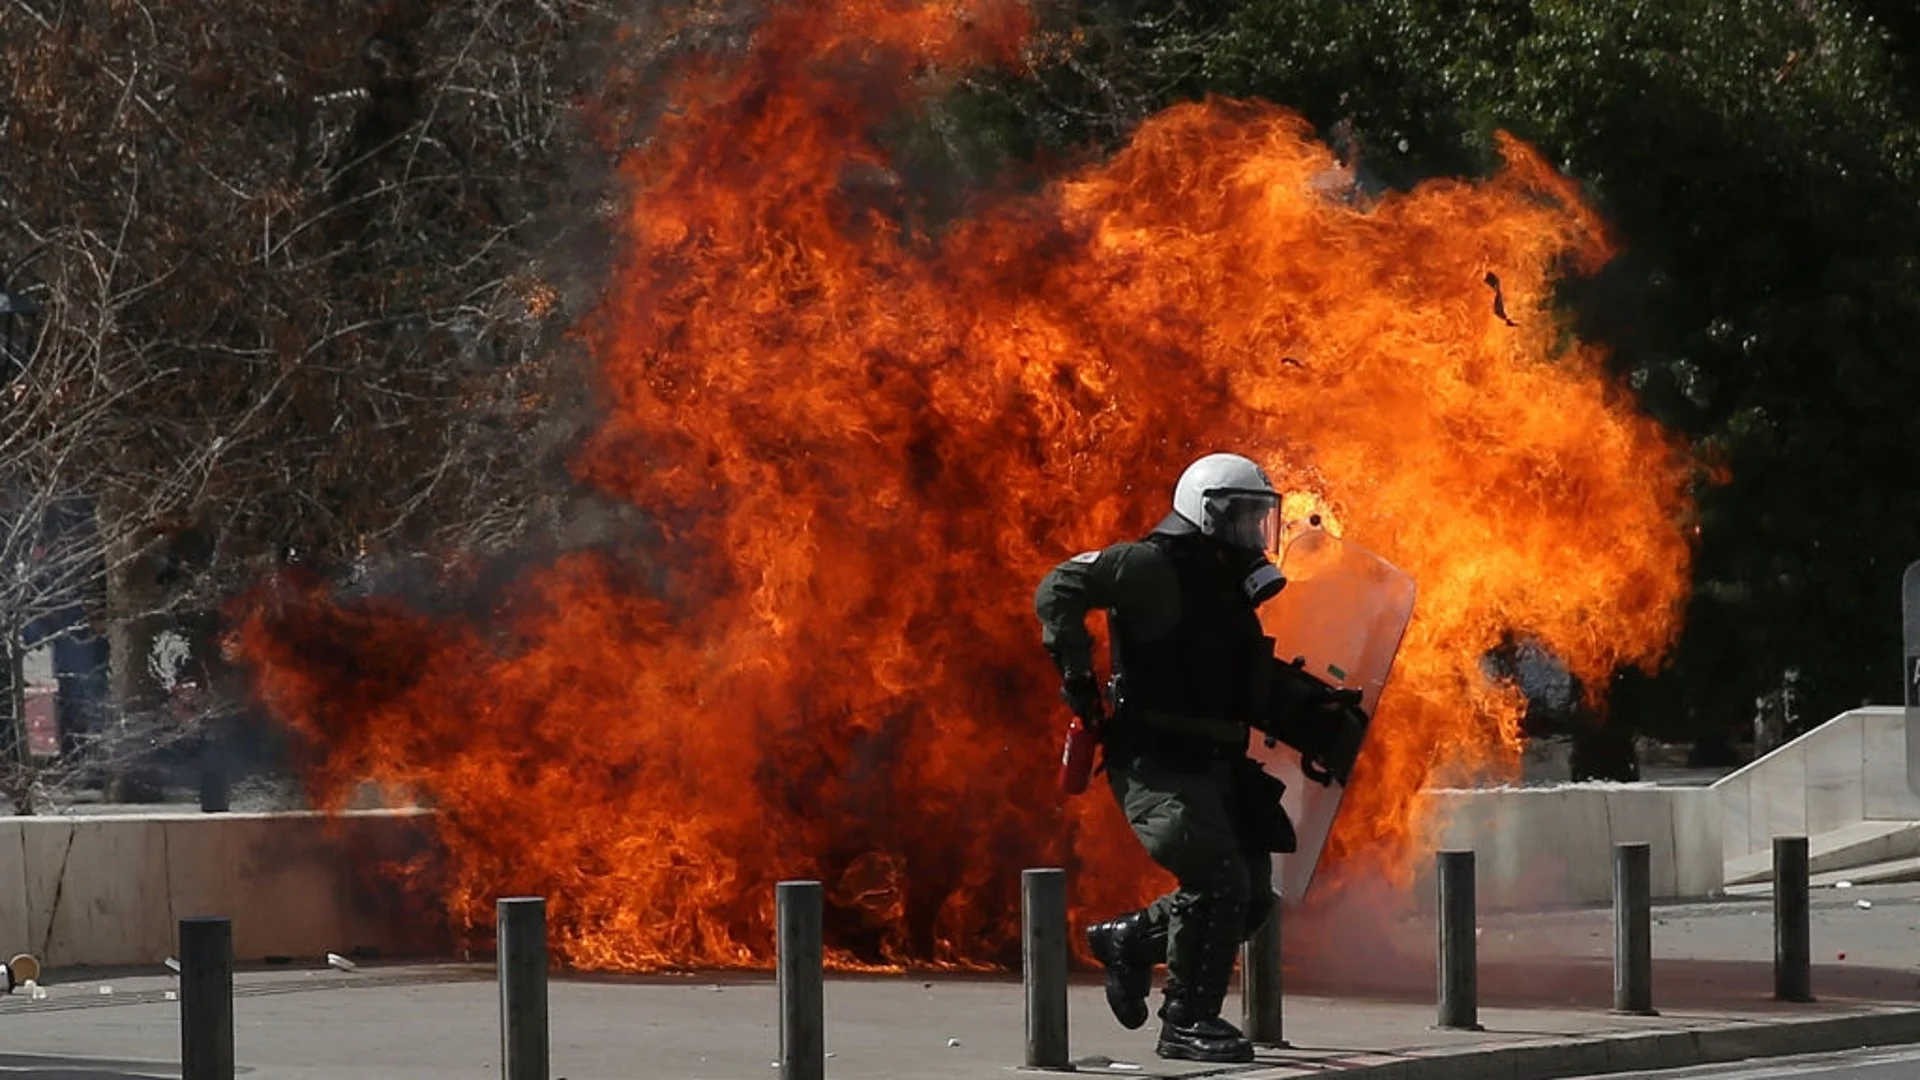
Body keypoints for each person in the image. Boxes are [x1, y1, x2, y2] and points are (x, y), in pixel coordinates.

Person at [1032, 451, 1356, 1063]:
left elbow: (1231, 679)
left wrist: (1311, 713)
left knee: (1253, 896)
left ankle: (1126, 941)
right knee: (1216, 877)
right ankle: (1186, 1020)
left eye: (1258, 518)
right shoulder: (1150, 565)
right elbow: (1060, 587)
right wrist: (1076, 672)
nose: (1250, 532)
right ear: (1202, 515)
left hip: (1217, 762)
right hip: (1158, 759)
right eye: (1238, 517)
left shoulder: (1228, 591)